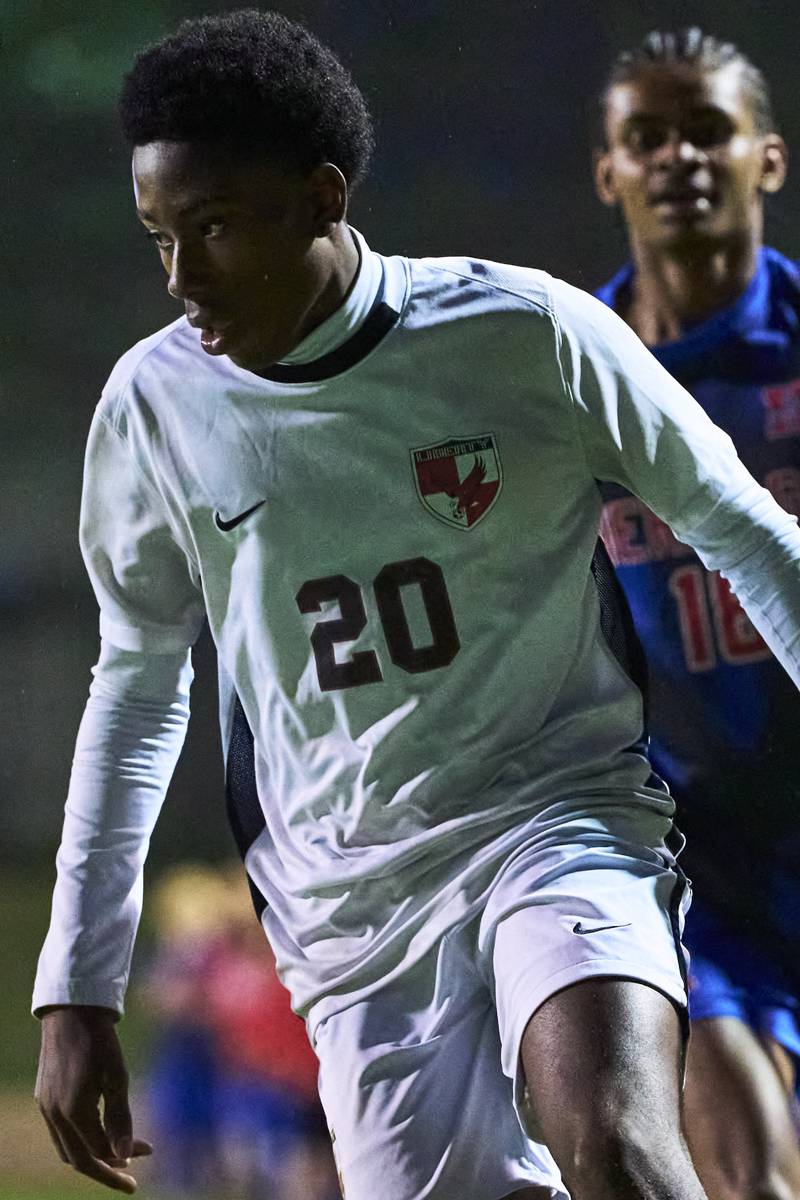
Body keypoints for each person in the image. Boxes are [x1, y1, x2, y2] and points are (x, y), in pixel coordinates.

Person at [30, 11, 800, 1200]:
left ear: (320, 196)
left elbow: (741, 530)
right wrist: (77, 982)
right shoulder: (151, 410)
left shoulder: (522, 332)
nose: (183, 279)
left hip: (556, 818)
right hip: (350, 905)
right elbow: (134, 694)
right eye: (160, 239)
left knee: (615, 1141)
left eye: (216, 227)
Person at [592, 27, 800, 1200]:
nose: (676, 157)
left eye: (705, 130)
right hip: (687, 853)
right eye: (644, 137)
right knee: (743, 1172)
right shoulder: (567, 378)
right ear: (607, 172)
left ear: (764, 159)